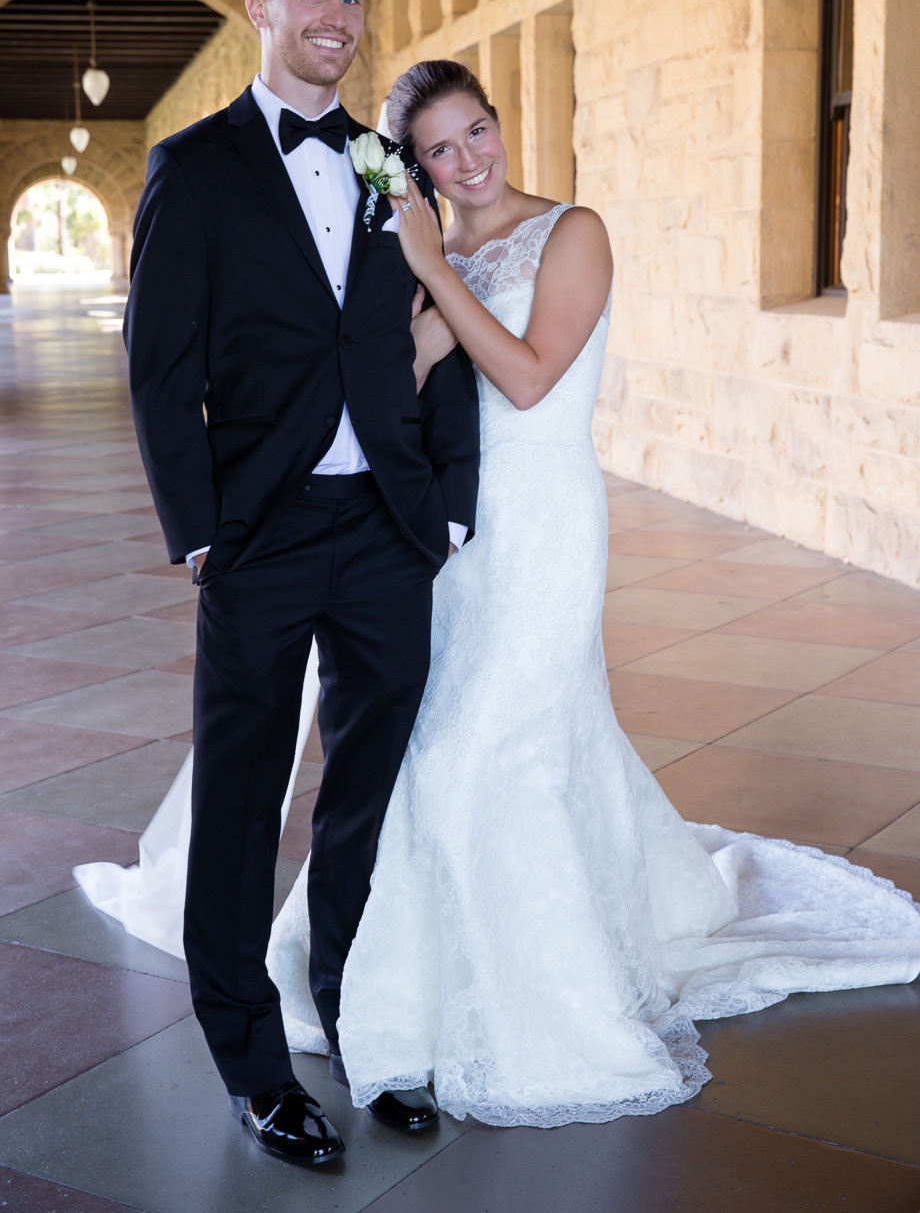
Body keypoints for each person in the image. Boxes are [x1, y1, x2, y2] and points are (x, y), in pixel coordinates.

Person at [267, 60, 920, 1128]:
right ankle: (403, 982)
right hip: (453, 535)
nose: (470, 158)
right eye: (440, 148)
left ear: (496, 123)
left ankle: (522, 1006)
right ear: (414, 167)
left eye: (477, 130)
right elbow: (415, 375)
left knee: (482, 752)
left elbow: (527, 376)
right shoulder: (444, 251)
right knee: (467, 741)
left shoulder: (573, 231)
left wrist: (432, 266)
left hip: (547, 522)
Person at [122, 0, 479, 1167]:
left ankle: (357, 1021)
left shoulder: (393, 163)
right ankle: (252, 1061)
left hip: (388, 530)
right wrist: (202, 539)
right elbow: (159, 371)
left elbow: (437, 343)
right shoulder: (192, 166)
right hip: (259, 535)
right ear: (260, 3)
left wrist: (446, 506)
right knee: (241, 798)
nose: (337, 13)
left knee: (365, 796)